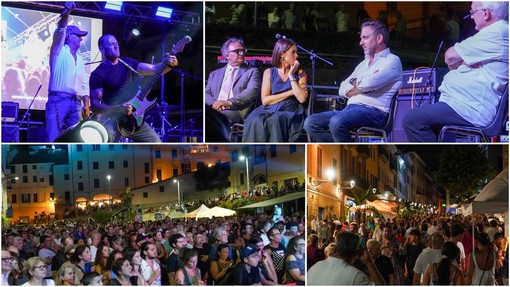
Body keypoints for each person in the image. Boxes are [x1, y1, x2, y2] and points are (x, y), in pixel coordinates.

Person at [403, 2, 508, 142]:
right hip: (462, 103)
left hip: (470, 108)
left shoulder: (497, 32)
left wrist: (464, 61)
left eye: (472, 12)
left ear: (486, 13)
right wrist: (467, 61)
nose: (471, 17)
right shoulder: (496, 33)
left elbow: (450, 56)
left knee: (412, 121)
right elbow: (452, 61)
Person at [304, 20, 402, 142]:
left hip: (375, 112)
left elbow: (368, 84)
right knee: (310, 122)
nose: (361, 42)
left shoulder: (392, 60)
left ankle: (346, 156)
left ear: (379, 38)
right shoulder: (363, 64)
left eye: (365, 38)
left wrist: (356, 83)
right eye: (361, 38)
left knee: (337, 122)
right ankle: (340, 152)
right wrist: (360, 87)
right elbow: (342, 87)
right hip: (350, 109)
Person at [89, 34, 178, 142]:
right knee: (102, 146)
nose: (117, 46)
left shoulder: (127, 63)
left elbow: (155, 68)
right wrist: (118, 108)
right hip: (114, 122)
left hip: (136, 120)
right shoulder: (97, 74)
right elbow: (94, 106)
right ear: (102, 49)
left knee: (157, 145)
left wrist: (169, 64)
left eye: (117, 43)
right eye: (112, 44)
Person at [242, 37, 308, 142]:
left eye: (296, 53)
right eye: (293, 52)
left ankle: (275, 153)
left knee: (275, 120)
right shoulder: (268, 72)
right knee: (255, 120)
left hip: (289, 110)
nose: (296, 56)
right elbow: (265, 100)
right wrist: (291, 92)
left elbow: (302, 98)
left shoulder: (300, 74)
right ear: (282, 54)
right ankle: (255, 153)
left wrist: (291, 76)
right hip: (270, 108)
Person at [46, 1, 90, 142]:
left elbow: (84, 84)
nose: (81, 39)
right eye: (78, 36)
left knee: (76, 137)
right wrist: (67, 13)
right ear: (69, 37)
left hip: (75, 103)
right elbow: (60, 31)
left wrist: (86, 105)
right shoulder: (58, 52)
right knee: (54, 138)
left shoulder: (80, 59)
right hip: (58, 100)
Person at [205, 37, 261, 140]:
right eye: (237, 51)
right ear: (227, 55)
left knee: (212, 119)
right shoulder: (214, 74)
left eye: (243, 50)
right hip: (216, 108)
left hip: (236, 109)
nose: (241, 53)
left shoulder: (252, 71)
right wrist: (214, 104)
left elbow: (251, 92)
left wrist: (227, 102)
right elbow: (206, 93)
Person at [307, 231, 385, 285]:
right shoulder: (355, 275)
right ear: (356, 252)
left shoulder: (315, 267)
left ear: (336, 248)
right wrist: (369, 262)